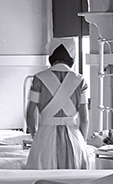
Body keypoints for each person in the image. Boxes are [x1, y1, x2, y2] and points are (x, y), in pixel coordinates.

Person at [25, 38, 91, 170]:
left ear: (52, 56)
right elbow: (84, 119)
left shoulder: (38, 79)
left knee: (43, 178)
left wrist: (35, 135)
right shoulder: (80, 81)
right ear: (71, 58)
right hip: (74, 136)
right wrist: (81, 141)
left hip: (45, 135)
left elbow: (29, 114)